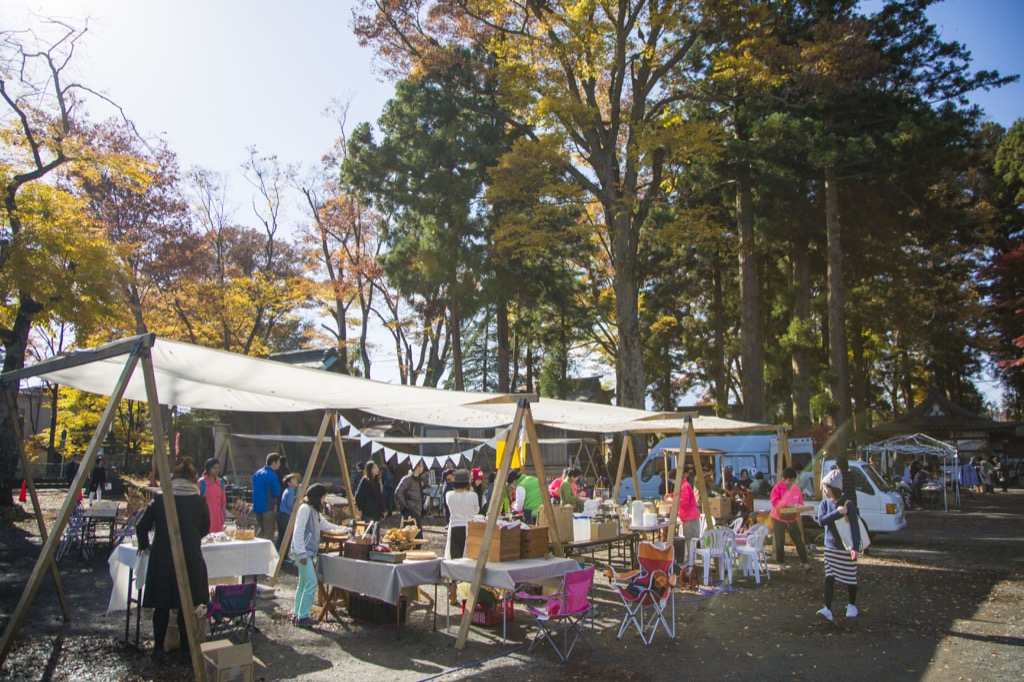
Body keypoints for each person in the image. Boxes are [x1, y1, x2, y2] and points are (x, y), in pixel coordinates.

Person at [136, 457, 210, 663]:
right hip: (191, 557)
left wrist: (145, 546)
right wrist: (192, 538)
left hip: (162, 559)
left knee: (162, 605)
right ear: (193, 480)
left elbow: (141, 527)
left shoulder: (160, 500)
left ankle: (158, 650)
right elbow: (205, 527)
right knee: (187, 605)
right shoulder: (198, 501)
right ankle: (186, 652)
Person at [291, 483, 345, 627]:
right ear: (317, 497)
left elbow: (326, 526)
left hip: (307, 552)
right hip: (303, 552)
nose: (324, 500)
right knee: (311, 582)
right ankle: (302, 617)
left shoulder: (314, 511)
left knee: (303, 583)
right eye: (323, 497)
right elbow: (298, 531)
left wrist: (344, 529)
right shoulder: (305, 509)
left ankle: (297, 614)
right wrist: (301, 552)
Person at [815, 469, 861, 622]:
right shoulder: (825, 504)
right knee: (829, 577)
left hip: (845, 547)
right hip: (830, 546)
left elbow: (855, 526)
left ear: (833, 488)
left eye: (826, 488)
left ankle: (852, 605)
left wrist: (855, 547)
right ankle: (827, 608)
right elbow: (821, 521)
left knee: (850, 577)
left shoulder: (849, 504)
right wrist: (837, 513)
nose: (824, 491)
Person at [770, 467, 811, 571]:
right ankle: (781, 562)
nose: (791, 482)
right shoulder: (777, 488)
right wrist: (786, 503)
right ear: (785, 479)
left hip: (792, 518)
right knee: (780, 541)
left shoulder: (797, 489)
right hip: (779, 517)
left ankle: (805, 562)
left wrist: (800, 506)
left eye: (793, 480)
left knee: (798, 540)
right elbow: (774, 502)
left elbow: (800, 502)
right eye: (789, 480)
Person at [445, 469, 480, 561]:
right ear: (467, 483)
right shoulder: (473, 495)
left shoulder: (448, 495)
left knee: (454, 557)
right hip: (468, 528)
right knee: (467, 559)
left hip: (454, 527)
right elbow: (476, 511)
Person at [672, 468, 701, 566]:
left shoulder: (685, 486)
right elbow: (678, 495)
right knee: (689, 540)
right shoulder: (683, 485)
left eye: (673, 480)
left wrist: (672, 501)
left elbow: (684, 501)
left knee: (690, 540)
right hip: (688, 517)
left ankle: (690, 562)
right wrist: (671, 496)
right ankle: (690, 561)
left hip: (690, 517)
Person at [252, 453, 282, 542]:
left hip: (257, 506)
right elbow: (276, 492)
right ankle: (266, 553)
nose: (280, 464)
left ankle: (255, 547)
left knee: (262, 529)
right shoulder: (272, 475)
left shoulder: (257, 473)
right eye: (279, 462)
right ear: (274, 462)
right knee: (269, 531)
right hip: (268, 507)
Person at [395, 461, 427, 539]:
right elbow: (398, 492)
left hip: (417, 512)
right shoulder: (408, 478)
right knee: (408, 539)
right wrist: (405, 505)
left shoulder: (418, 479)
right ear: (417, 467)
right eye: (421, 466)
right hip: (410, 512)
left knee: (418, 539)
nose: (422, 468)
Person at [199, 458, 227, 533]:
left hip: (218, 515)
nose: (217, 470)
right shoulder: (201, 483)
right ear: (208, 469)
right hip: (206, 515)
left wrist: (223, 513)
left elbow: (223, 500)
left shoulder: (221, 482)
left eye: (218, 468)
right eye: (214, 468)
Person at [277, 473, 300, 556]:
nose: (296, 481)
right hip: (285, 515)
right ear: (289, 483)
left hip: (281, 514)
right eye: (293, 480)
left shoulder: (287, 490)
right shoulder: (291, 491)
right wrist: (296, 510)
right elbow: (289, 505)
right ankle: (284, 556)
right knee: (287, 537)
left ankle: (279, 554)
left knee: (281, 536)